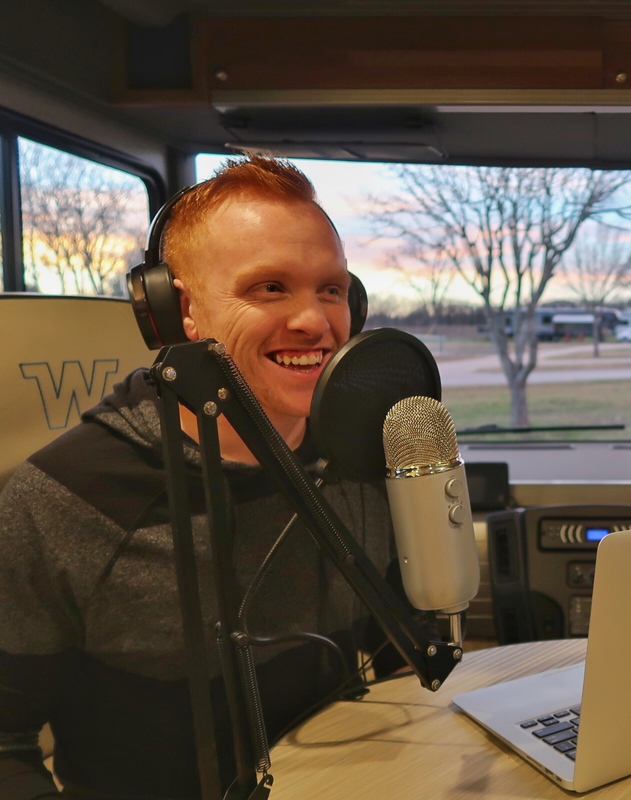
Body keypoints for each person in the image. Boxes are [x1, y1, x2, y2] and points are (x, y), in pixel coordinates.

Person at [0, 156, 417, 799]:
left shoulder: (366, 456)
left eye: (331, 289)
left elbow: (399, 663)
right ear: (179, 313)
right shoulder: (62, 501)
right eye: (270, 288)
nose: (315, 321)